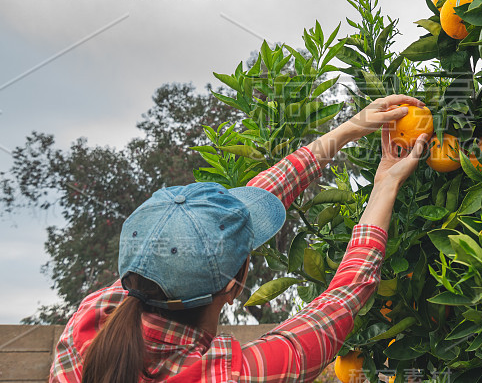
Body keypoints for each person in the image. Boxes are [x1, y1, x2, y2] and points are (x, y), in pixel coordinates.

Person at [49, 95, 429, 383]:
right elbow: (342, 299)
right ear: (236, 284)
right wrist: (385, 184)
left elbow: (243, 211)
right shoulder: (231, 375)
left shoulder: (94, 317)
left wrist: (346, 131)